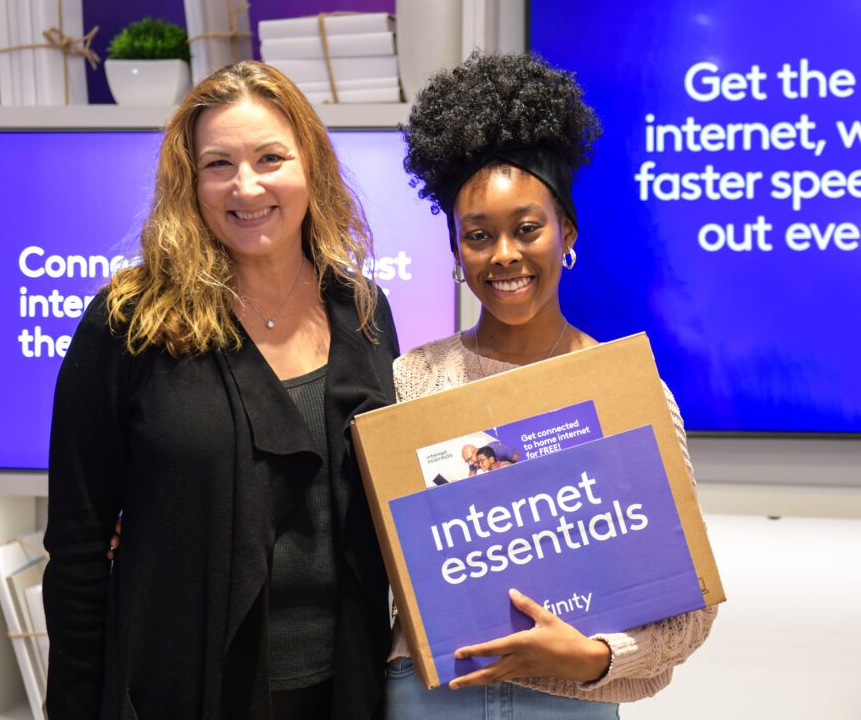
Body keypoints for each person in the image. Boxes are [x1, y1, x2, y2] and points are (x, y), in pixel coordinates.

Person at [42, 61, 399, 720]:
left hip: (345, 688)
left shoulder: (364, 314)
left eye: (270, 157)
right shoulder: (128, 324)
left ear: (311, 166)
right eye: (218, 164)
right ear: (189, 180)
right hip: (183, 688)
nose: (247, 185)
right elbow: (77, 549)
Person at [385, 52, 718, 717]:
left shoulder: (627, 388)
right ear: (456, 252)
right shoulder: (411, 379)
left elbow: (689, 607)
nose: (504, 253)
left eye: (527, 228)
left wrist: (595, 657)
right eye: (478, 235)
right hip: (433, 697)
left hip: (569, 703)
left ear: (566, 230)